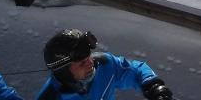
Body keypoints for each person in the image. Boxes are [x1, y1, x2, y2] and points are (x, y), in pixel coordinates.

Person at [37, 29, 173, 100]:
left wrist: (153, 86)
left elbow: (135, 71)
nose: (90, 63)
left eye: (89, 57)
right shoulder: (51, 97)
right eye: (82, 63)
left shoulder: (104, 65)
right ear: (64, 71)